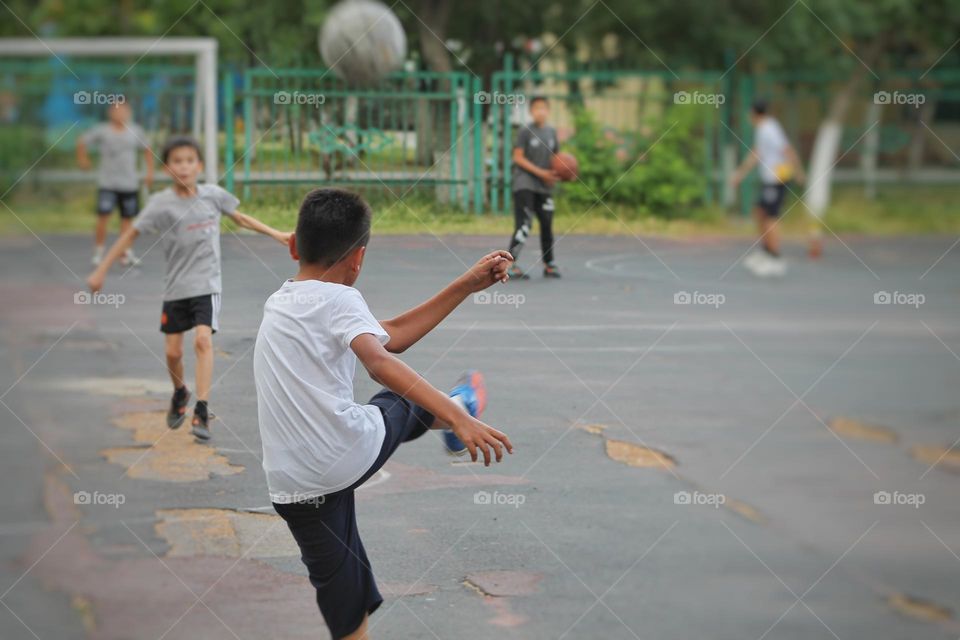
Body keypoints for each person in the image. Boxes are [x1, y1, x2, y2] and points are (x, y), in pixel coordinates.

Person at [254, 188, 514, 640]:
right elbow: (381, 360)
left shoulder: (279, 301)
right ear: (358, 260)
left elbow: (388, 335)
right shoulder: (340, 300)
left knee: (344, 599)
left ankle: (450, 410)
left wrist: (466, 285)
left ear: (294, 246)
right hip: (343, 456)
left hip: (292, 484)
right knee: (403, 399)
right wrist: (457, 418)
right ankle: (457, 408)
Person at [86, 136, 291, 441]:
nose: (184, 167)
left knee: (202, 342)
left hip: (206, 284)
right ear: (168, 168)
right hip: (175, 288)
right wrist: (101, 270)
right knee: (172, 353)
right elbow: (131, 234)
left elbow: (241, 218)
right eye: (177, 161)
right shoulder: (161, 204)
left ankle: (202, 410)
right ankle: (180, 392)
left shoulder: (213, 195)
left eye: (189, 161)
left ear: (200, 165)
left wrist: (277, 234)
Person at [731, 99, 806, 277]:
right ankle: (766, 251)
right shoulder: (764, 128)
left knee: (771, 218)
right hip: (769, 179)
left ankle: (775, 258)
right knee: (759, 212)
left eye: (749, 113)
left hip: (777, 179)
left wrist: (799, 171)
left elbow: (787, 150)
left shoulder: (770, 129)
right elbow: (757, 152)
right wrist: (740, 173)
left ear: (754, 113)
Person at [76, 101, 154, 267]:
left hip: (129, 184)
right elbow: (82, 141)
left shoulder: (136, 131)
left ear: (129, 112)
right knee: (103, 217)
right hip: (108, 184)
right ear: (110, 112)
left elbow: (148, 149)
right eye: (116, 110)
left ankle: (126, 253)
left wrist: (149, 172)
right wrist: (83, 159)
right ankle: (98, 252)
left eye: (123, 110)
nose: (120, 113)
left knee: (127, 220)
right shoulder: (102, 131)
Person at [507, 95, 562, 279]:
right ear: (531, 111)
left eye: (544, 108)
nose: (541, 111)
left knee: (547, 224)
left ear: (548, 111)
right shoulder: (525, 131)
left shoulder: (551, 132)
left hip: (544, 187)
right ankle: (510, 263)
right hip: (525, 184)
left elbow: (556, 159)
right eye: (537, 108)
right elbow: (518, 158)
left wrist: (558, 174)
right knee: (524, 224)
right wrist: (541, 173)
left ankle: (549, 264)